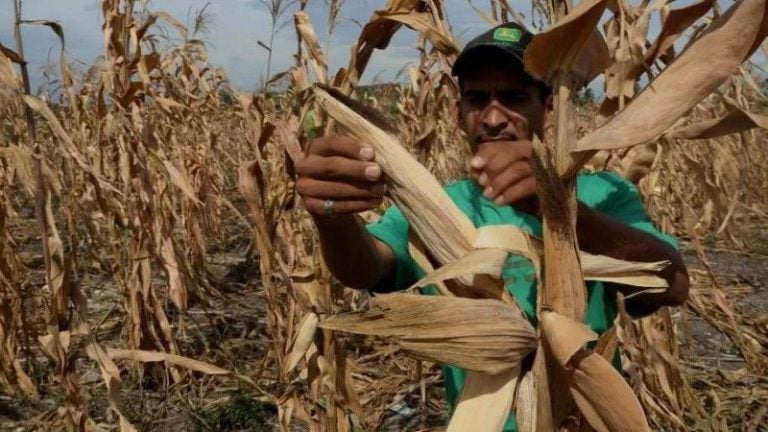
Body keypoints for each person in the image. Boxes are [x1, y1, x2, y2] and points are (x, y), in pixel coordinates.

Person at [295, 22, 689, 431]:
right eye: (477, 99)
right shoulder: (437, 204)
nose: (495, 117)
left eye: (515, 97)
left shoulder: (602, 192)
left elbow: (673, 286)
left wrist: (557, 206)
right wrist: (333, 221)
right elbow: (368, 267)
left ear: (548, 108)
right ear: (458, 111)